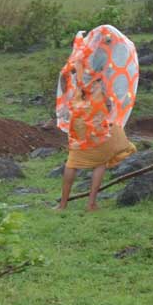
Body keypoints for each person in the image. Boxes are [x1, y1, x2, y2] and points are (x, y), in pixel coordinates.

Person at [53, 23, 140, 211]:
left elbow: (63, 78)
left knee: (73, 159)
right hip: (97, 116)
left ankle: (62, 205)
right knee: (100, 160)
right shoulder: (98, 69)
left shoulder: (76, 62)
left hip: (78, 116)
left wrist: (69, 99)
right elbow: (109, 94)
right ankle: (91, 203)